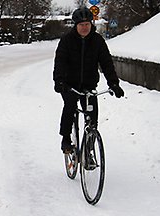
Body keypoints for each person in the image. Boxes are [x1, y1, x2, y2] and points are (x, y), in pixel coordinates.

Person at [53, 7, 124, 154]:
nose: (84, 27)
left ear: (91, 24)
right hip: (69, 85)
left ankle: (89, 151)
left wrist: (114, 83)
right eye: (81, 25)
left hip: (88, 85)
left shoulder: (97, 41)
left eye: (87, 24)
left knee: (92, 118)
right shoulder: (66, 41)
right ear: (76, 25)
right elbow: (60, 62)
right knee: (70, 106)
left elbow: (106, 63)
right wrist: (59, 81)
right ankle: (66, 138)